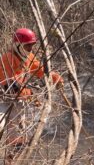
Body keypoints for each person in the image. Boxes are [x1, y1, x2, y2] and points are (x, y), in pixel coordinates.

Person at [0, 28, 64, 163]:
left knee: (17, 136)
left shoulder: (29, 58)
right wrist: (31, 95)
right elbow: (10, 87)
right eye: (27, 45)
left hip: (18, 102)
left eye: (31, 45)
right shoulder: (7, 58)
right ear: (18, 45)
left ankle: (11, 161)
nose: (30, 48)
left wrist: (55, 78)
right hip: (3, 100)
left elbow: (41, 70)